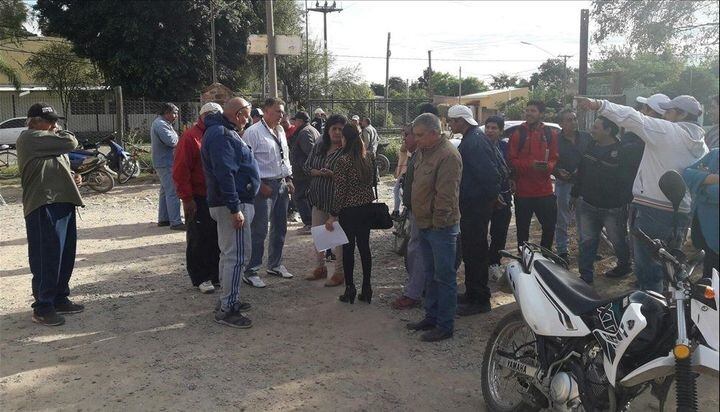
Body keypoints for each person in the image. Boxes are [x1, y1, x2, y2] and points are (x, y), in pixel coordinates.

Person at [576, 95, 708, 292]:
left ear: (682, 114)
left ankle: (650, 314)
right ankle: (668, 313)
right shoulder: (702, 144)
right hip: (680, 213)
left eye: (670, 111)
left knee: (648, 269)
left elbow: (633, 117)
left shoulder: (669, 131)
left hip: (652, 210)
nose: (665, 115)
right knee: (670, 268)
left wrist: (599, 105)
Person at [16, 103, 85, 326]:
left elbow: (58, 162)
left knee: (65, 254)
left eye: (56, 120)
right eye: (50, 120)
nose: (54, 125)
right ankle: (43, 306)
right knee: (47, 256)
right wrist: (60, 131)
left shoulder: (46, 140)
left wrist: (73, 176)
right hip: (43, 204)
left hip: (63, 201)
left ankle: (59, 296)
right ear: (34, 121)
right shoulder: (30, 137)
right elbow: (70, 142)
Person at [201, 97, 260, 328]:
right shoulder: (222, 135)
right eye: (247, 114)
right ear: (238, 114)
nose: (249, 118)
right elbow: (225, 173)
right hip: (231, 205)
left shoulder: (222, 131)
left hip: (229, 203)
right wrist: (235, 208)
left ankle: (227, 299)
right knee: (236, 257)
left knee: (229, 255)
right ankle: (228, 308)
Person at [405, 113, 462, 342]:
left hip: (441, 227)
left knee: (444, 277)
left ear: (434, 133)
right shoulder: (423, 151)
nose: (415, 139)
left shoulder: (448, 156)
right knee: (430, 274)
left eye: (419, 135)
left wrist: (437, 225)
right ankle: (431, 316)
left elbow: (446, 197)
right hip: (424, 223)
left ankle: (445, 325)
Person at [446, 105, 501, 316]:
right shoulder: (472, 139)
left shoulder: (474, 142)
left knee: (476, 252)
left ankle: (480, 299)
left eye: (452, 121)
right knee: (470, 251)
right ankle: (472, 293)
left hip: (476, 206)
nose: (450, 125)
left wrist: (487, 201)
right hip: (472, 205)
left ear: (461, 121)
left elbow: (490, 176)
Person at [571, 117, 633, 283]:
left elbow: (628, 181)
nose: (592, 130)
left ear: (608, 130)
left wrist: (621, 202)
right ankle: (585, 275)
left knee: (618, 240)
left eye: (596, 127)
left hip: (613, 208)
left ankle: (624, 266)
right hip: (588, 204)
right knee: (587, 241)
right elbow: (581, 171)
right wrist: (575, 193)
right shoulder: (590, 147)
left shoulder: (623, 151)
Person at [242, 97, 295, 288]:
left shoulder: (280, 130)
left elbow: (284, 157)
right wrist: (259, 184)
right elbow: (246, 163)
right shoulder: (253, 133)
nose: (281, 115)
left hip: (280, 184)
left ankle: (275, 264)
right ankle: (251, 270)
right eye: (277, 111)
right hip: (263, 187)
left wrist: (288, 179)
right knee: (260, 230)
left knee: (280, 227)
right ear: (266, 111)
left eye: (282, 111)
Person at [172, 102, 223, 294]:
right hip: (198, 196)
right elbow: (180, 170)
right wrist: (187, 198)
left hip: (216, 195)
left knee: (215, 236)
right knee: (198, 238)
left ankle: (215, 273)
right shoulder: (190, 137)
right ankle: (200, 277)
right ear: (203, 116)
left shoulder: (217, 134)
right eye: (211, 114)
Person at [325, 124, 376, 303]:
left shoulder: (343, 161)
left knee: (348, 250)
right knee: (365, 249)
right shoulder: (368, 157)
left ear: (345, 139)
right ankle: (367, 288)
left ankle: (350, 289)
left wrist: (333, 215)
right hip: (366, 208)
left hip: (349, 211)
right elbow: (371, 183)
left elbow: (340, 192)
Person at [507, 100, 559, 251]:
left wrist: (547, 167)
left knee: (549, 227)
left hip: (545, 191)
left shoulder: (550, 134)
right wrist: (531, 165)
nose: (529, 113)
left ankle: (546, 256)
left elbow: (554, 157)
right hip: (523, 191)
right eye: (527, 110)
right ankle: (524, 258)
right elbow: (511, 159)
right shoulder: (518, 134)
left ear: (541, 114)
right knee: (522, 230)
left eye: (533, 111)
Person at [304, 114, 347, 286]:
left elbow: (351, 176)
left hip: (337, 201)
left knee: (338, 239)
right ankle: (320, 268)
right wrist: (317, 172)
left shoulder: (347, 150)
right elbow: (307, 167)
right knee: (318, 234)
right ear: (327, 130)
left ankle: (339, 272)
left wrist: (333, 175)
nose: (336, 132)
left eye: (340, 129)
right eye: (333, 129)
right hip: (318, 198)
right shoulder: (319, 146)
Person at [391, 123, 428, 310]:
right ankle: (418, 289)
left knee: (417, 251)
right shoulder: (415, 156)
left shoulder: (422, 156)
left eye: (407, 135)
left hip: (421, 212)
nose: (404, 138)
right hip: (414, 209)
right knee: (414, 250)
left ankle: (414, 293)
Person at [554, 108, 590, 262]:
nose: (573, 122)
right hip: (564, 184)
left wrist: (580, 170)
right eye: (569, 120)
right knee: (562, 219)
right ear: (561, 123)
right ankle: (562, 250)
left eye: (574, 118)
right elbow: (549, 160)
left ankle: (587, 249)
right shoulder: (555, 140)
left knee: (585, 219)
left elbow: (592, 157)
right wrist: (556, 171)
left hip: (584, 185)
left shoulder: (586, 137)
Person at [483, 116, 513, 282]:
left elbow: (511, 168)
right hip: (485, 197)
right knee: (480, 232)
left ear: (500, 131)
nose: (490, 131)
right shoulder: (479, 147)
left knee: (499, 231)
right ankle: (481, 262)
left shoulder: (505, 147)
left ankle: (494, 262)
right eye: (488, 127)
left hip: (504, 195)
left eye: (494, 128)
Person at [683, 148, 719, 277]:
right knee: (708, 281)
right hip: (704, 230)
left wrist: (702, 184)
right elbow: (686, 174)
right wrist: (713, 178)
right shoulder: (715, 154)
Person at [151, 102, 185, 230]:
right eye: (174, 113)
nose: (176, 115)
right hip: (166, 162)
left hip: (164, 162)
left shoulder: (163, 123)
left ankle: (164, 218)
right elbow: (171, 141)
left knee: (165, 191)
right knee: (173, 191)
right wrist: (179, 137)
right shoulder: (160, 124)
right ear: (167, 113)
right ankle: (175, 222)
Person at [289, 111, 318, 233]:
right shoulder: (311, 129)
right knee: (306, 197)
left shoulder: (304, 132)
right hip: (305, 172)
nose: (293, 122)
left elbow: (311, 152)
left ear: (300, 121)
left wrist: (303, 165)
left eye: (295, 120)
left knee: (300, 196)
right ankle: (312, 222)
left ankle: (309, 223)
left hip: (303, 173)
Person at [391, 124, 411, 218]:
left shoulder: (407, 143)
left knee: (397, 191)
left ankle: (396, 210)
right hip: (402, 167)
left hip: (405, 169)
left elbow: (403, 149)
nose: (402, 133)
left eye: (404, 131)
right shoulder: (406, 141)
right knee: (397, 191)